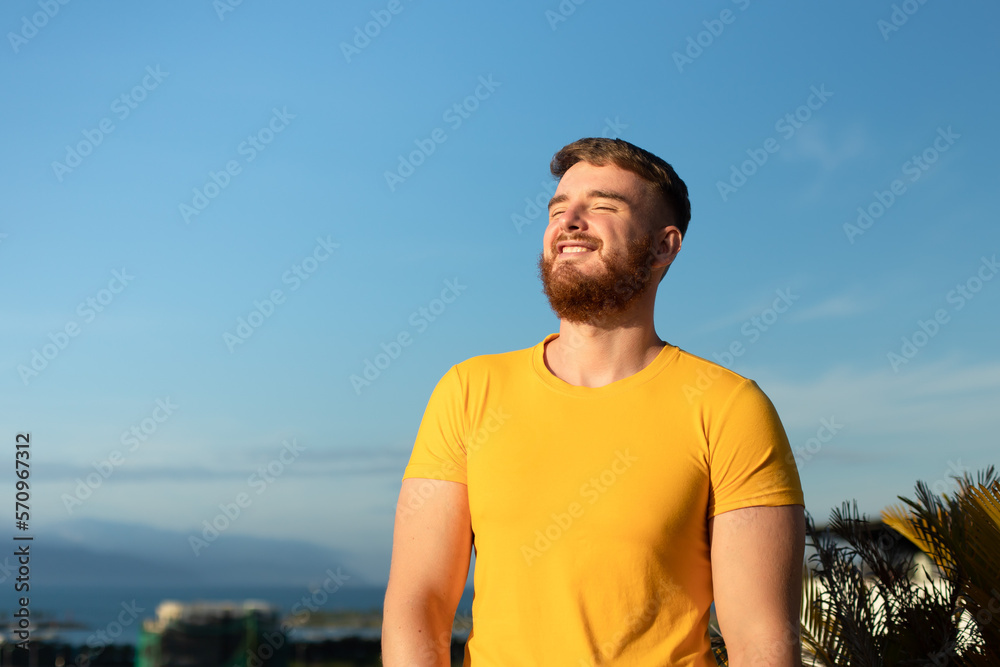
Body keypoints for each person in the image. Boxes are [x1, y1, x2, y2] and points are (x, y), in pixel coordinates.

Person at [382, 137, 805, 666]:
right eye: (559, 209)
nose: (570, 221)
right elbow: (419, 602)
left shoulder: (729, 406)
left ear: (663, 247)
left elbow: (761, 641)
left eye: (602, 207)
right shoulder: (468, 390)